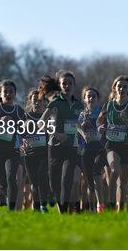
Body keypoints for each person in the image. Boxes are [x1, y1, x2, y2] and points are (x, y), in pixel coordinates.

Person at [38, 71, 84, 214]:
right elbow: (40, 124)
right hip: (55, 148)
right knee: (55, 184)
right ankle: (61, 207)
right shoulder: (55, 103)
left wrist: (84, 133)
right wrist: (56, 134)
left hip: (72, 148)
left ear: (74, 85)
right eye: (64, 83)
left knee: (67, 179)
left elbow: (78, 126)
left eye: (70, 83)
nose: (67, 86)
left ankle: (64, 212)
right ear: (60, 85)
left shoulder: (78, 105)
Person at [98, 75, 128, 212]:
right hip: (112, 145)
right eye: (119, 86)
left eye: (125, 87)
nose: (122, 89)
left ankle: (120, 209)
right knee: (114, 170)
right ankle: (110, 204)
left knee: (123, 183)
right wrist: (101, 127)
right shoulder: (109, 105)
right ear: (114, 88)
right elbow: (100, 120)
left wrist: (127, 120)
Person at [0, 80, 26, 211]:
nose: (8, 94)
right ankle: (5, 193)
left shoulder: (19, 111)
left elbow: (24, 130)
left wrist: (24, 138)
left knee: (11, 178)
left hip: (12, 151)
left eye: (11, 91)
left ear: (15, 94)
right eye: (5, 91)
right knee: (3, 182)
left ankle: (11, 209)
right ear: (0, 93)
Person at [78, 86, 107, 213]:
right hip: (86, 149)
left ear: (97, 99)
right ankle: (91, 208)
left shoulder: (102, 111)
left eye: (93, 96)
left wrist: (101, 128)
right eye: (88, 96)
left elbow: (108, 126)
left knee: (96, 172)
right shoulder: (82, 114)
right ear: (84, 99)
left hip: (101, 147)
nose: (91, 98)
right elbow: (77, 128)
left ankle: (101, 204)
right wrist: (82, 129)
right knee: (89, 181)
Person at [22, 89, 50, 213]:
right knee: (34, 183)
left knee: (42, 175)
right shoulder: (25, 117)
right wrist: (22, 141)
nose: (37, 103)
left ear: (44, 102)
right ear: (30, 101)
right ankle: (37, 207)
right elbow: (19, 134)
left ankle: (43, 205)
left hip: (45, 153)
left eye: (40, 101)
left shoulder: (49, 117)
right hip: (30, 154)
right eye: (35, 101)